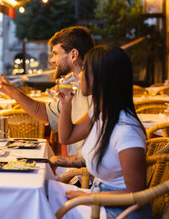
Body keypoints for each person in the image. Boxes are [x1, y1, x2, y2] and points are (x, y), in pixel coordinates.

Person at [47, 45, 152, 218]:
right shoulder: (99, 113)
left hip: (120, 212)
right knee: (43, 190)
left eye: (85, 69)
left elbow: (136, 195)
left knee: (43, 205)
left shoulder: (126, 130)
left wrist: (89, 197)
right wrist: (66, 103)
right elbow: (66, 137)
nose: (79, 75)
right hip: (99, 198)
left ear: (102, 78)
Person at [0, 26, 94, 157]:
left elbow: (68, 139)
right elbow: (45, 112)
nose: (51, 60)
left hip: (85, 172)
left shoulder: (94, 90)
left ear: (73, 54)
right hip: (78, 168)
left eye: (55, 53)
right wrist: (12, 91)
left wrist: (56, 162)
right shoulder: (72, 86)